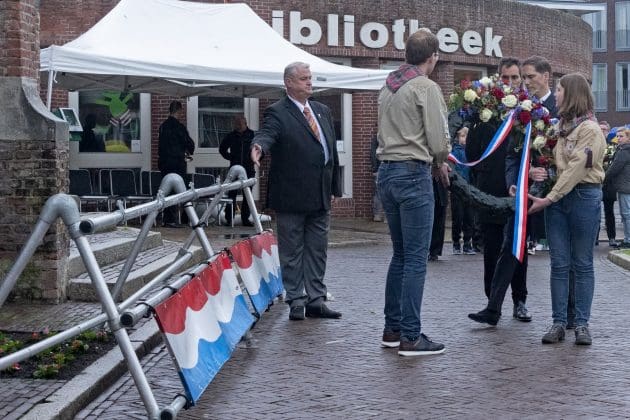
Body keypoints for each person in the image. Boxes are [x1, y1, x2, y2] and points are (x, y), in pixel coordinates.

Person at [376, 28, 450, 356]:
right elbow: (437, 139)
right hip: (413, 174)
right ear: (432, 57)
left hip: (387, 172)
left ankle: (392, 329)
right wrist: (441, 160)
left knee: (400, 254)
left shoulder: (388, 86)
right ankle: (411, 336)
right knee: (417, 258)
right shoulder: (425, 87)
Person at [250, 62, 342, 321]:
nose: (309, 82)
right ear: (288, 83)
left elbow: (330, 152)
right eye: (303, 79)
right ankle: (296, 300)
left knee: (318, 250)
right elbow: (267, 133)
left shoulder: (322, 110)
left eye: (310, 78)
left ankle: (316, 300)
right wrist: (259, 146)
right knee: (292, 251)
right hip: (291, 195)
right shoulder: (277, 111)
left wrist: (334, 187)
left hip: (320, 194)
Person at [529, 73, 606, 345]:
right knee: (559, 263)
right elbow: (548, 161)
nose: (556, 94)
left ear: (572, 94)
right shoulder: (557, 128)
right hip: (558, 199)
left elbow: (576, 168)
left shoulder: (590, 130)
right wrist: (533, 175)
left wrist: (549, 198)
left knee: (582, 263)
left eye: (560, 90)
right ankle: (559, 322)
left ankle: (582, 323)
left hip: (583, 196)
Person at [466, 57, 530, 323]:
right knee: (491, 246)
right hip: (490, 189)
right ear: (498, 78)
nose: (510, 82)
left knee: (517, 246)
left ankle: (520, 300)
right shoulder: (486, 111)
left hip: (516, 190)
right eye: (506, 77)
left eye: (515, 78)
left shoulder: (528, 113)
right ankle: (492, 303)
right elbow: (472, 153)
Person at [158, 100, 195, 228]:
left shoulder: (163, 127)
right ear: (179, 111)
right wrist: (188, 151)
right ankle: (181, 218)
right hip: (178, 163)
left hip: (165, 164)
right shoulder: (179, 127)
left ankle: (167, 218)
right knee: (180, 191)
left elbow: (160, 147)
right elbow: (189, 143)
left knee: (166, 191)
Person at [219, 115, 255, 226]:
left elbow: (259, 150)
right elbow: (222, 149)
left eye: (239, 124)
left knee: (247, 195)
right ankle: (229, 218)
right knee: (232, 194)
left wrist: (254, 159)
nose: (237, 126)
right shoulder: (231, 136)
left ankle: (245, 218)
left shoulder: (252, 135)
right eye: (236, 124)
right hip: (234, 169)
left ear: (245, 124)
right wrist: (231, 157)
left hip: (248, 168)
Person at [450, 124, 475, 255]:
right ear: (458, 137)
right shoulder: (454, 152)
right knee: (458, 217)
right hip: (458, 189)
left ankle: (467, 243)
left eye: (467, 136)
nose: (465, 139)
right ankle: (455, 243)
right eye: (463, 136)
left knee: (469, 217)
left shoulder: (471, 152)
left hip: (469, 189)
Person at [605, 127, 630, 248]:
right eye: (618, 136)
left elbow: (614, 168)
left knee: (626, 214)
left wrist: (603, 178)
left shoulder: (624, 151)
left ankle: (628, 240)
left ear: (628, 138)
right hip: (624, 186)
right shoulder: (623, 149)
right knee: (626, 214)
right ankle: (627, 238)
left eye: (621, 136)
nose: (618, 138)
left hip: (625, 186)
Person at [600, 121, 620, 247]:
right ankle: (594, 238)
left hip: (609, 183)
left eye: (604, 130)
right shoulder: (592, 143)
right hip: (594, 182)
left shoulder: (613, 145)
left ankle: (612, 237)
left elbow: (613, 162)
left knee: (609, 212)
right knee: (594, 212)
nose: (602, 132)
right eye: (600, 129)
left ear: (608, 131)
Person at [370, 129, 385, 222]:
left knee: (378, 192)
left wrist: (374, 167)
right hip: (383, 167)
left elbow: (372, 153)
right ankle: (382, 216)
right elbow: (373, 153)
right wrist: (375, 168)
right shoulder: (377, 138)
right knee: (385, 192)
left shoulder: (377, 137)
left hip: (380, 167)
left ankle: (377, 215)